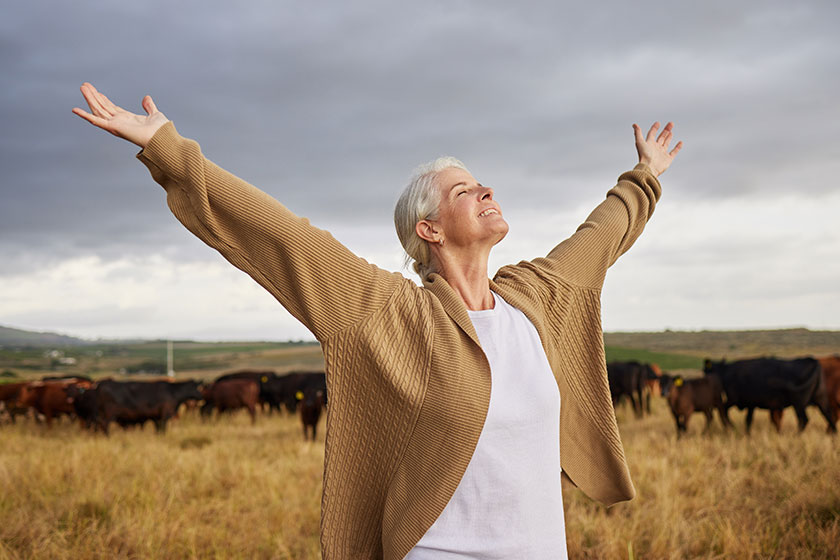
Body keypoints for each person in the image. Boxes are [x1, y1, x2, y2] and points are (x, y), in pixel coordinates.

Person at [74, 82, 682, 559]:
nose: (486, 189)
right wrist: (168, 150)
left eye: (481, 182)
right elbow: (281, 236)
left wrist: (644, 176)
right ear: (430, 229)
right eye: (465, 190)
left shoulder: (537, 297)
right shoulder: (390, 313)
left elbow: (603, 234)